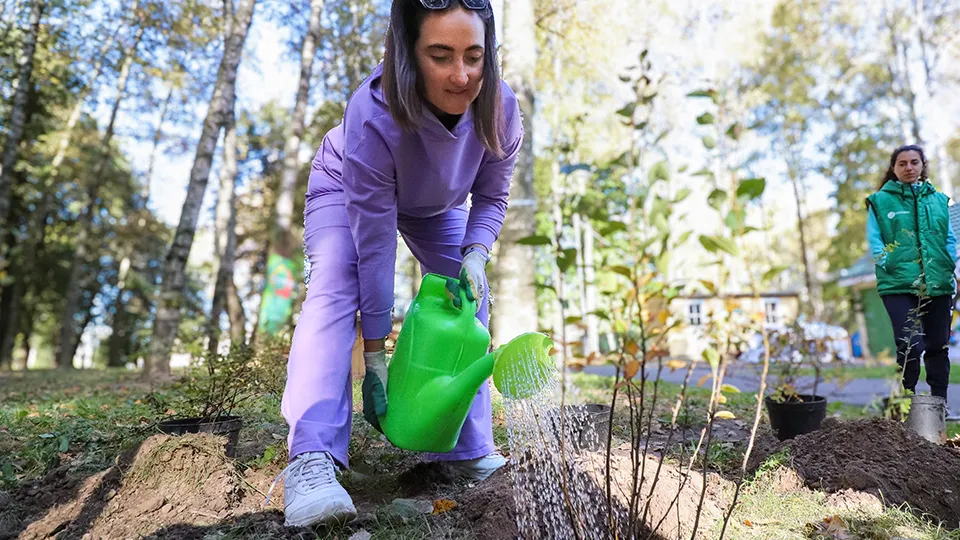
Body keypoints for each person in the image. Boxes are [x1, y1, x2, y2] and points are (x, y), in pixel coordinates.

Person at [272, 0, 523, 528]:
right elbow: (374, 243)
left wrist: (475, 255)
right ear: (409, 55)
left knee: (464, 299)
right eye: (440, 55)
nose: (461, 74)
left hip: (434, 205)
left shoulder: (500, 107)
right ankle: (312, 459)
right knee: (336, 286)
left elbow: (493, 197)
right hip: (348, 188)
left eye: (474, 56)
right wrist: (375, 349)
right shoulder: (372, 115)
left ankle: (466, 452)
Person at [866, 144, 958, 406]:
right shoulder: (880, 201)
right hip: (897, 283)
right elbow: (875, 239)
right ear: (893, 168)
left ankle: (938, 404)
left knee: (937, 346)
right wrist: (889, 262)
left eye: (914, 162)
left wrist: (947, 262)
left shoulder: (939, 200)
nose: (909, 167)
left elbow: (949, 238)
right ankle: (907, 401)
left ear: (922, 166)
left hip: (938, 282)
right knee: (910, 344)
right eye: (902, 163)